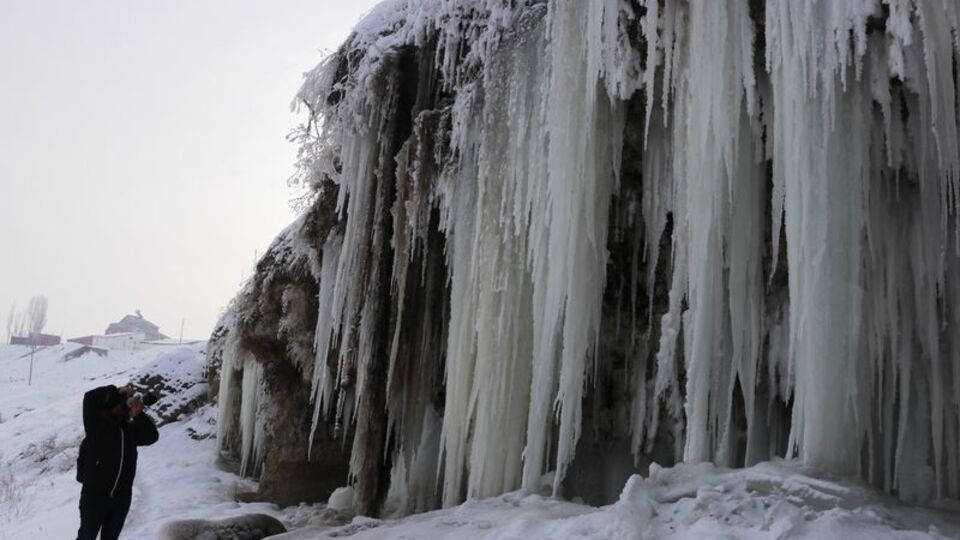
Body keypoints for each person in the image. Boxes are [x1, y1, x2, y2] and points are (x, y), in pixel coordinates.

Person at [75, 384, 159, 540]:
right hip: (95, 495)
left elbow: (151, 437)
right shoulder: (95, 426)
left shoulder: (129, 428)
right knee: (87, 536)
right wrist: (116, 390)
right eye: (119, 404)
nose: (122, 407)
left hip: (121, 496)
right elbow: (89, 397)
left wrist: (138, 415)